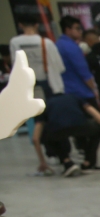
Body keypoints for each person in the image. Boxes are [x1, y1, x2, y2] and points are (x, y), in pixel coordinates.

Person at [10, 14, 65, 176]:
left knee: (38, 121)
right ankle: (60, 153)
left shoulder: (15, 42)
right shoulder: (46, 43)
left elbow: (16, 66)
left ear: (20, 25)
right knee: (53, 119)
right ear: (37, 25)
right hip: (49, 84)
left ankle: (47, 154)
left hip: (30, 86)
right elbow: (59, 66)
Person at [39, 93, 100, 175]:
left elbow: (35, 138)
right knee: (97, 130)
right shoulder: (75, 97)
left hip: (58, 130)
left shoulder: (45, 105)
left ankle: (67, 162)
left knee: (47, 135)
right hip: (80, 125)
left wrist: (42, 162)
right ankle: (88, 162)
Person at [57, 16, 100, 109]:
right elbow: (83, 71)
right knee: (95, 122)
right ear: (68, 30)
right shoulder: (71, 47)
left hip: (66, 92)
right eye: (77, 28)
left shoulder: (57, 44)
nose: (80, 31)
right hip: (81, 92)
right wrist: (94, 89)